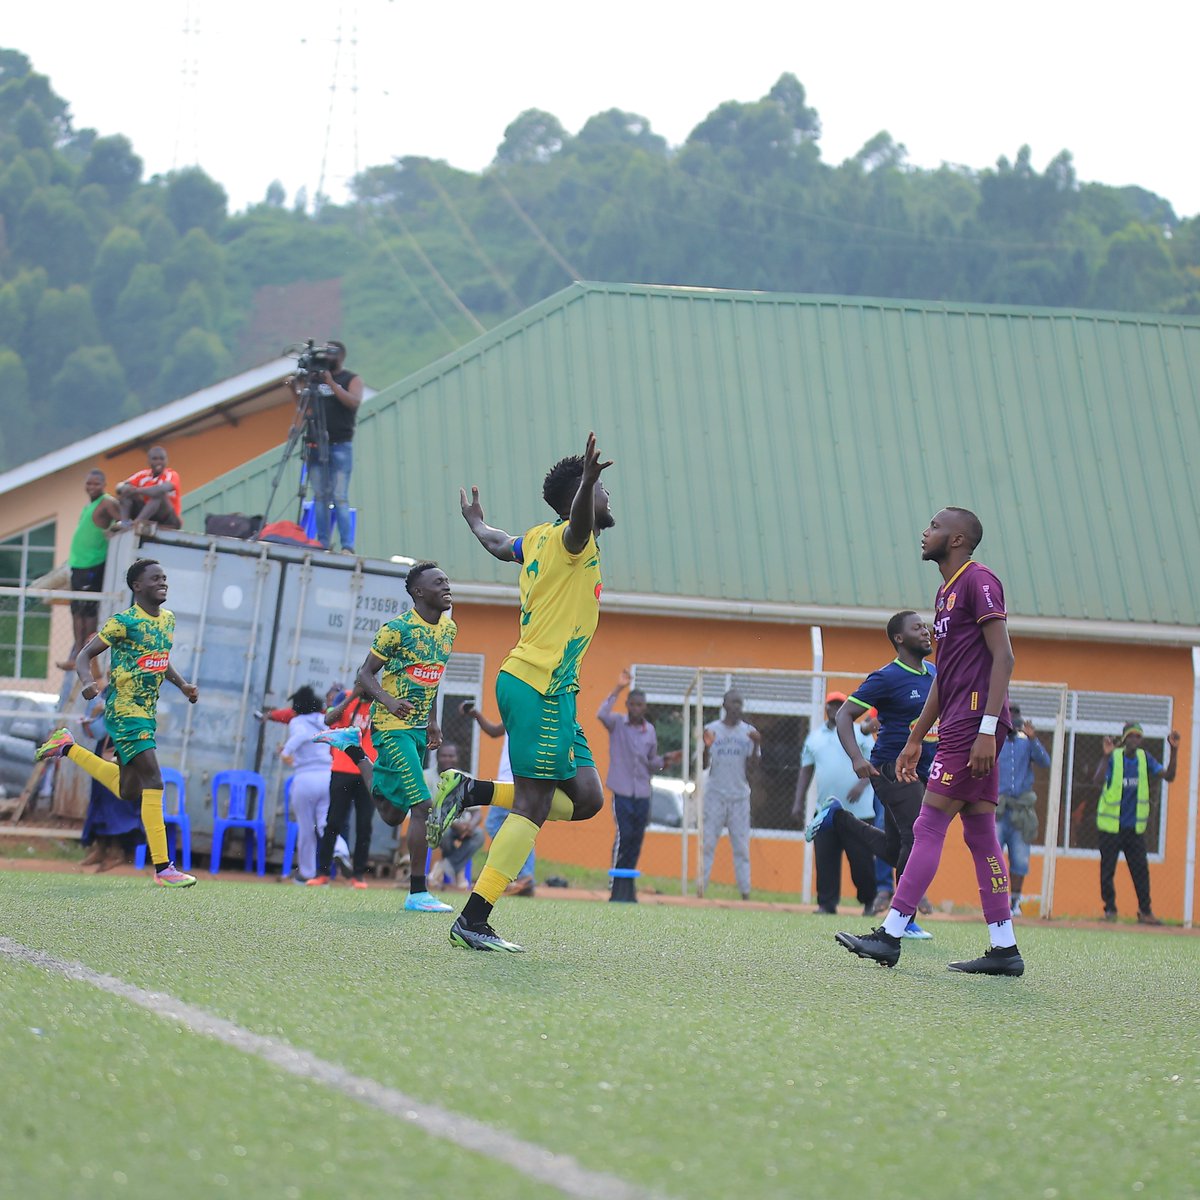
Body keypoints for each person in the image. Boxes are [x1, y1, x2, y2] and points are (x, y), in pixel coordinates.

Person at [425, 433, 614, 952]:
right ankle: (474, 918)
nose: (607, 499)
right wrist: (589, 484)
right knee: (532, 802)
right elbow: (579, 525)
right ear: (580, 495)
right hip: (539, 684)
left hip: (549, 688)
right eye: (602, 491)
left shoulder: (533, 539)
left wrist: (474, 521)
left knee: (588, 798)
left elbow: (495, 541)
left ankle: (472, 791)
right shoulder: (574, 541)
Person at [836, 507, 1023, 975]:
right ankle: (1004, 947)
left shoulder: (979, 580)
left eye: (935, 527)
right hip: (959, 719)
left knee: (929, 822)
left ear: (958, 539)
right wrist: (915, 738)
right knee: (981, 833)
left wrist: (985, 728)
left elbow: (1005, 657)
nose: (926, 532)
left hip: (973, 723)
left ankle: (891, 933)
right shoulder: (943, 593)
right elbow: (945, 679)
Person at [36, 557, 199, 887]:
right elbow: (84, 656)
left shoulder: (167, 620)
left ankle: (67, 747)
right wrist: (86, 682)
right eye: (155, 578)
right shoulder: (123, 621)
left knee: (128, 790)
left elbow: (160, 660)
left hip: (146, 714)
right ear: (137, 586)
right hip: (125, 714)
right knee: (154, 780)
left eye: (164, 577)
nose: (162, 582)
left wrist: (182, 684)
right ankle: (163, 867)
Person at [319, 561, 456, 913]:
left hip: (416, 730)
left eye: (446, 581)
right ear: (418, 592)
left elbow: (432, 679)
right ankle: (417, 893)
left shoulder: (449, 630)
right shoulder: (396, 630)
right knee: (422, 806)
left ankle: (353, 749)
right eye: (437, 582)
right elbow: (364, 674)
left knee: (393, 814)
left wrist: (433, 721)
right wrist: (388, 701)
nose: (446, 586)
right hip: (391, 728)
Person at [808, 612, 938, 937]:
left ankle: (838, 817)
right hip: (892, 768)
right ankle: (904, 918)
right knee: (916, 836)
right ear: (899, 638)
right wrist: (856, 758)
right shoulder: (887, 677)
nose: (926, 631)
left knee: (896, 848)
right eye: (917, 628)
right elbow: (845, 717)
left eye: (926, 626)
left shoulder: (936, 674)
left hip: (925, 770)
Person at [598, 667, 681, 902]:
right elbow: (601, 713)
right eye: (632, 704)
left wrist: (666, 760)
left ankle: (628, 889)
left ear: (645, 707)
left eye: (640, 705)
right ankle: (616, 887)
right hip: (622, 791)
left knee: (636, 839)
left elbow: (651, 762)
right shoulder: (616, 724)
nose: (636, 708)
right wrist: (619, 687)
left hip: (643, 793)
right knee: (624, 836)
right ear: (627, 705)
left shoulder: (650, 731)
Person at [793, 691, 876, 916]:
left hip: (858, 812)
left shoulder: (861, 732)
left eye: (841, 705)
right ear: (826, 709)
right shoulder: (815, 738)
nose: (836, 709)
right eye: (833, 705)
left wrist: (861, 785)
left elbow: (874, 761)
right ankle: (826, 904)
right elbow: (805, 770)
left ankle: (869, 902)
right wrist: (798, 802)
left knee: (861, 862)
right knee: (825, 860)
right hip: (826, 812)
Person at [1092, 721, 1179, 925]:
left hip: (1133, 828)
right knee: (1107, 870)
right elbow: (1097, 781)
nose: (1134, 739)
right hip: (1111, 827)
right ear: (1124, 739)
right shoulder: (1113, 757)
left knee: (1141, 870)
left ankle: (1145, 911)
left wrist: (1174, 751)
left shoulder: (1144, 758)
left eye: (1138, 736)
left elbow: (1169, 776)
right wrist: (1105, 755)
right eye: (1131, 736)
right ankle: (1110, 911)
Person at [293, 341, 363, 554]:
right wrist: (295, 388)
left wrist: (331, 383)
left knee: (339, 496)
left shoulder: (350, 379)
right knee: (320, 496)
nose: (326, 358)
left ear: (340, 357)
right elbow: (305, 407)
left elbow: (353, 402)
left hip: (340, 445)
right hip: (316, 444)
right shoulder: (313, 381)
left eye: (330, 354)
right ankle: (322, 543)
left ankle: (347, 546)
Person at [461, 701, 537, 896]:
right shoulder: (517, 714)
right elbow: (495, 731)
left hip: (517, 780)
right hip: (509, 780)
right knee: (515, 826)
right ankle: (524, 876)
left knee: (499, 825)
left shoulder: (534, 716)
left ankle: (525, 875)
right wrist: (476, 714)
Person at [309, 684, 376, 887]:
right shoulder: (343, 698)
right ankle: (322, 873)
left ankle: (358, 876)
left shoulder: (381, 702)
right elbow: (328, 720)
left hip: (369, 771)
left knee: (364, 825)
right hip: (342, 769)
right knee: (333, 822)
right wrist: (352, 696)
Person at [700, 690, 761, 900]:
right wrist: (706, 748)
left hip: (739, 797)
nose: (736, 707)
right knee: (707, 843)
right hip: (715, 795)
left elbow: (752, 770)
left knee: (742, 847)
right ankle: (701, 889)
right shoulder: (711, 730)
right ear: (724, 704)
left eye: (739, 703)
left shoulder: (749, 732)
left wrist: (757, 744)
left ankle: (745, 893)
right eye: (733, 702)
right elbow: (703, 765)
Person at [77, 681, 144, 872]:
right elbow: (95, 728)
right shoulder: (105, 691)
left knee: (116, 799)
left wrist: (104, 711)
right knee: (99, 795)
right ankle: (101, 847)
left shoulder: (135, 687)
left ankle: (116, 851)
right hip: (104, 749)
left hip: (123, 749)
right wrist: (95, 713)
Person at [60, 469, 120, 670]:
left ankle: (87, 655)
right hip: (78, 564)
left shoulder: (107, 502)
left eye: (96, 484)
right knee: (76, 611)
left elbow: (124, 520)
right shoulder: (89, 506)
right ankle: (77, 653)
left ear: (103, 485)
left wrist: (115, 532)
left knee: (89, 611)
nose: (91, 487)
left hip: (93, 564)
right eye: (89, 483)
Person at [995, 703, 1052, 917]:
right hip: (998, 809)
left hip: (1021, 810)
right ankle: (995, 901)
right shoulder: (993, 740)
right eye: (1009, 717)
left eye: (1016, 717)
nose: (1013, 721)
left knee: (1019, 859)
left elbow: (1045, 762)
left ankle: (1014, 903)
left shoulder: (1026, 743)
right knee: (993, 857)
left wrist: (1033, 739)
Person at [280, 686, 333, 883]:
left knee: (306, 828)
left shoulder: (297, 722)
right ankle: (339, 851)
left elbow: (300, 737)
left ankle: (307, 873)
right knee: (325, 824)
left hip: (305, 777)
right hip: (327, 775)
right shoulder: (322, 721)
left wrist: (287, 754)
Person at [425, 742, 484, 888]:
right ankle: (458, 870)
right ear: (437, 757)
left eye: (451, 756)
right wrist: (454, 824)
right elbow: (428, 808)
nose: (447, 759)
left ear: (457, 758)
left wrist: (470, 826)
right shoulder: (426, 776)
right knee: (443, 833)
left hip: (463, 827)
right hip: (436, 825)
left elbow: (477, 812)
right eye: (443, 755)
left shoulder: (467, 778)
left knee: (479, 835)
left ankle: (444, 867)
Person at [116, 446, 182, 530]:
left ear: (166, 460)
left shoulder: (172, 474)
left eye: (162, 459)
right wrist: (128, 489)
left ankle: (137, 522)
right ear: (148, 461)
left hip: (169, 519)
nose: (158, 462)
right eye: (155, 459)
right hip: (150, 515)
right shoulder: (143, 474)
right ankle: (124, 523)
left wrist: (137, 490)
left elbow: (161, 489)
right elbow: (120, 487)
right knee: (126, 492)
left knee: (159, 495)